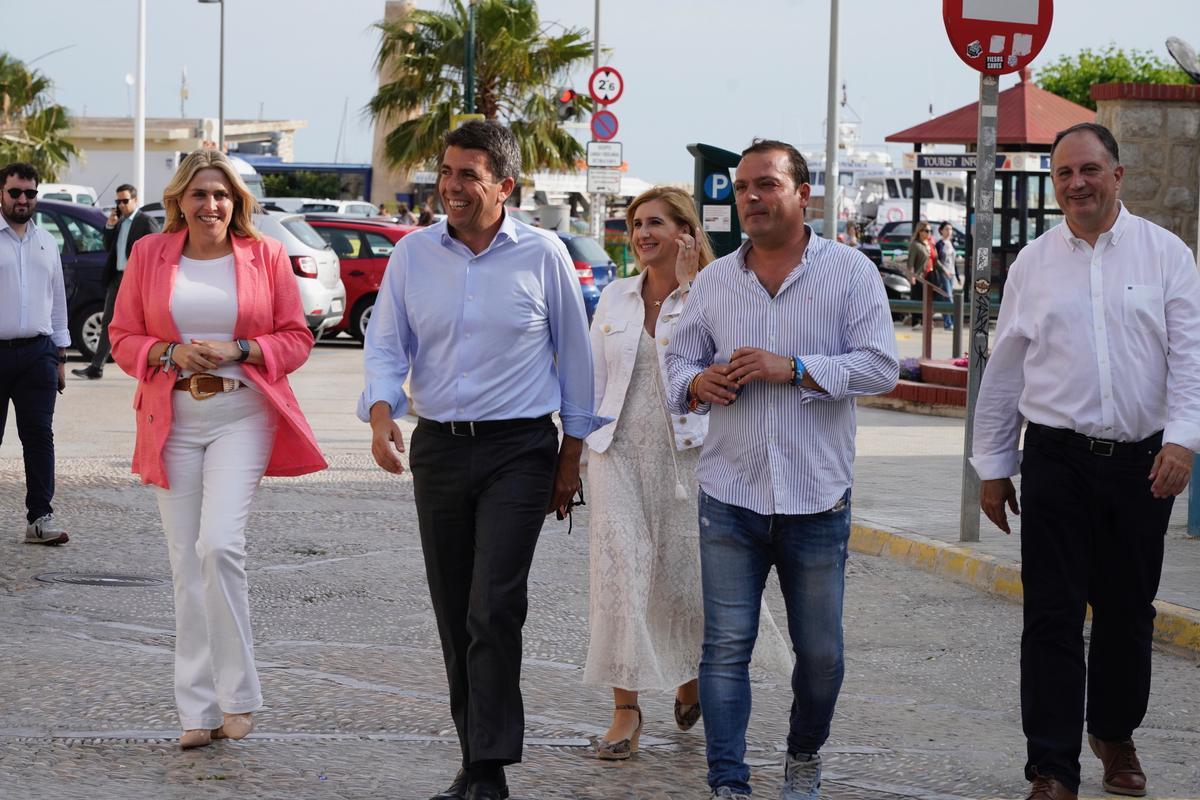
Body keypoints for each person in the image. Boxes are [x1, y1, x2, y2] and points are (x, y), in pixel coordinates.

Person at [360, 120, 604, 800]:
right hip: (439, 446)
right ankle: (474, 755)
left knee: (494, 604)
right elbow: (386, 344)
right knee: (453, 609)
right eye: (447, 172)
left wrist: (571, 457)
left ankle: (490, 766)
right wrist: (382, 415)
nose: (452, 186)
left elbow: (575, 359)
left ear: (505, 184)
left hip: (520, 450)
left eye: (469, 174)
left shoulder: (545, 254)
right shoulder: (412, 255)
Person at [972, 122, 1200, 800]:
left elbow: (1189, 356)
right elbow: (1005, 369)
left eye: (1090, 170)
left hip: (1143, 463)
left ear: (1118, 175)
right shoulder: (1035, 263)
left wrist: (1183, 439)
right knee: (1051, 613)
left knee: (1129, 613)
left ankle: (1113, 732)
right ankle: (1051, 767)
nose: (1077, 184)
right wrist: (991, 463)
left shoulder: (1165, 256)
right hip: (1055, 458)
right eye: (1065, 173)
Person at [665, 139, 898, 800]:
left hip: (816, 500)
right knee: (725, 650)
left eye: (766, 184)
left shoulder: (849, 272)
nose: (751, 198)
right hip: (730, 495)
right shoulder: (714, 282)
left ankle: (803, 753)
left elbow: (881, 365)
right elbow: (676, 368)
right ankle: (728, 783)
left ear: (804, 195)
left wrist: (793, 367)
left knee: (821, 658)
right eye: (742, 188)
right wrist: (699, 383)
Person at [108, 149, 327, 751]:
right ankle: (197, 709)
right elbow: (122, 335)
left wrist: (242, 349)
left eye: (222, 195)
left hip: (242, 413)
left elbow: (297, 336)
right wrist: (168, 353)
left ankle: (240, 697)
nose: (212, 205)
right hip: (171, 414)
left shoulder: (267, 255)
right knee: (185, 562)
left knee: (220, 545)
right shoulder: (149, 254)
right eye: (201, 194)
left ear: (237, 203)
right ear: (179, 200)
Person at [584, 186, 713, 758]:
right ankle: (625, 709)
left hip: (688, 457)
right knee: (622, 579)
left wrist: (688, 288)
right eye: (636, 223)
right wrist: (576, 451)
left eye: (655, 222)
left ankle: (689, 676)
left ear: (685, 231)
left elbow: (717, 361)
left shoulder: (713, 294)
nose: (641, 234)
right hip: (616, 455)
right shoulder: (613, 297)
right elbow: (589, 379)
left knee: (683, 582)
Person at [0, 162, 70, 545]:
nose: (23, 200)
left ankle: (39, 518)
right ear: (1, 194)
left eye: (30, 193)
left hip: (38, 354)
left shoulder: (47, 242)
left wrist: (60, 356)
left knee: (39, 436)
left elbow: (56, 301)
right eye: (15, 192)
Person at [72, 183, 160, 380]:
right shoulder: (120, 221)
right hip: (118, 277)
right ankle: (96, 366)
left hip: (137, 280)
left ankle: (150, 365)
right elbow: (108, 247)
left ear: (135, 200)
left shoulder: (146, 222)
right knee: (109, 321)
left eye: (125, 201)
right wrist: (110, 226)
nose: (121, 205)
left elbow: (154, 251)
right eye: (118, 201)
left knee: (146, 323)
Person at [905, 221, 934, 329]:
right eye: (926, 231)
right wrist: (912, 276)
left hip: (928, 276)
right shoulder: (915, 244)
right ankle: (916, 322)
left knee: (927, 299)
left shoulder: (928, 244)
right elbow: (910, 262)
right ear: (920, 231)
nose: (929, 233)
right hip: (918, 276)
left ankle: (925, 322)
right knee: (918, 299)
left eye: (930, 231)